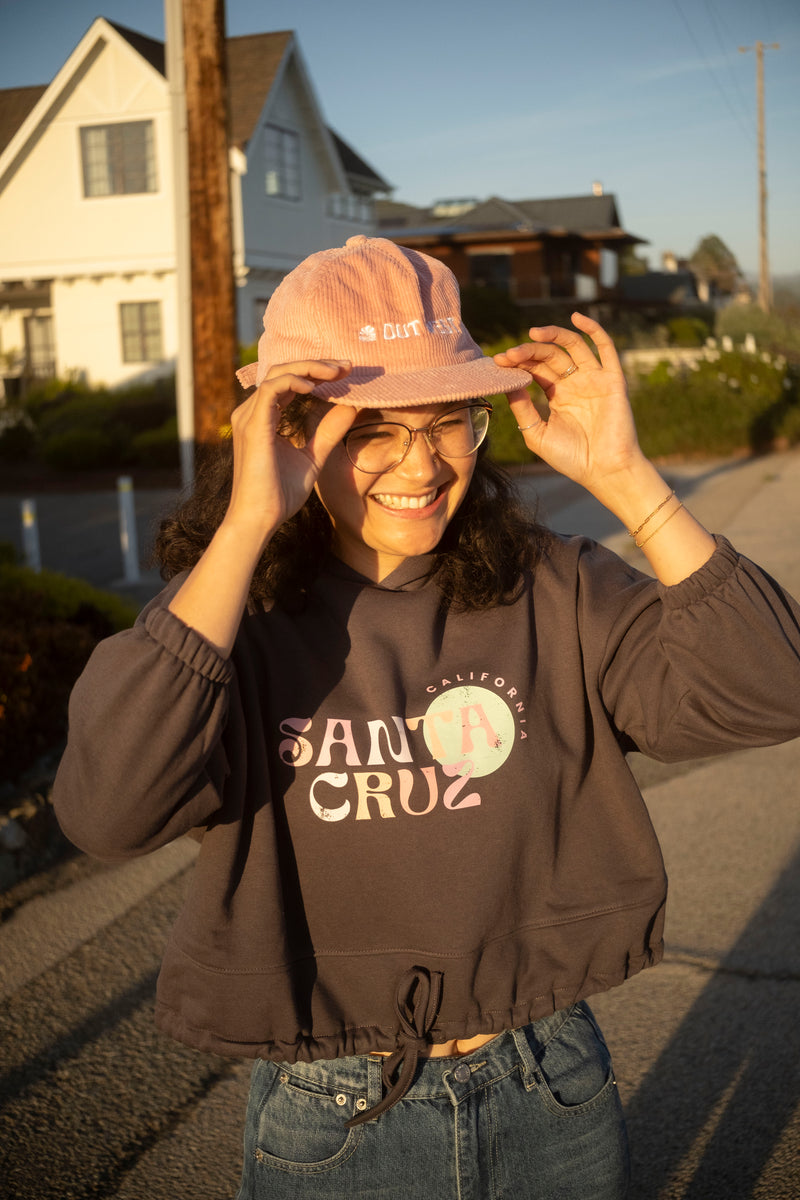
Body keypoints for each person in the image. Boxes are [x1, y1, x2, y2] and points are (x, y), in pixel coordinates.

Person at [53, 235, 800, 1200]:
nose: (423, 462)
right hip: (335, 1109)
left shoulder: (557, 590)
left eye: (449, 420)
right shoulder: (240, 624)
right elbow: (109, 810)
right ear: (296, 430)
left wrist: (626, 478)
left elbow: (772, 686)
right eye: (374, 428)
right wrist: (245, 526)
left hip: (551, 1082)